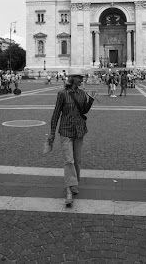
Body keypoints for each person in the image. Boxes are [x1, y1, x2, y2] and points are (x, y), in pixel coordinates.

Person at [48, 68, 96, 206]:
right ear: (73, 78)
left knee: (77, 160)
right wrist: (52, 132)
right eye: (80, 78)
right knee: (69, 160)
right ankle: (69, 189)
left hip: (79, 130)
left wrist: (91, 100)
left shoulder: (82, 94)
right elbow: (56, 113)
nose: (82, 80)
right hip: (65, 130)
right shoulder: (62, 94)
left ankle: (74, 184)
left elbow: (84, 110)